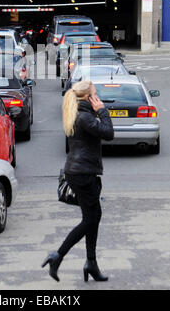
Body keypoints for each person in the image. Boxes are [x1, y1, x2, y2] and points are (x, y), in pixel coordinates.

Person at [42, 80, 114, 283]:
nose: (97, 97)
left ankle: (91, 263)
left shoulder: (79, 113)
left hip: (79, 172)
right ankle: (58, 256)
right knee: (90, 220)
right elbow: (108, 133)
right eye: (94, 94)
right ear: (87, 97)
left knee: (93, 217)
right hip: (83, 174)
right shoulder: (84, 117)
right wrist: (102, 111)